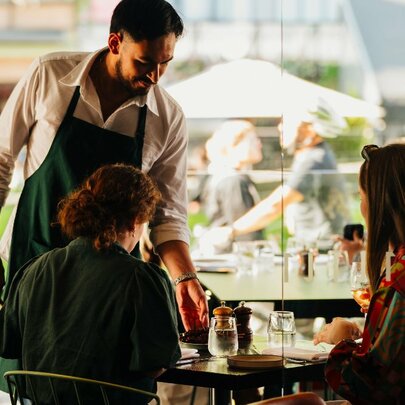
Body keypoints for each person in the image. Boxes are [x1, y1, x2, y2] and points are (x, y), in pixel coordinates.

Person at [0, 0, 208, 332]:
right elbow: (1, 159)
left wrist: (185, 278)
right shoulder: (50, 75)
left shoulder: (166, 118)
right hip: (33, 261)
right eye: (144, 62)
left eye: (165, 63)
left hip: (111, 287)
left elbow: (168, 215)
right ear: (115, 43)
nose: (154, 75)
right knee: (32, 378)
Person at [0, 163, 181, 404]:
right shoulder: (142, 278)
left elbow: (8, 344)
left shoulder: (34, 270)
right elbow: (155, 364)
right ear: (135, 221)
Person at [314, 144, 405, 403]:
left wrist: (340, 341)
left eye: (362, 197)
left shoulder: (398, 282)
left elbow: (369, 387)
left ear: (381, 204)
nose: (362, 207)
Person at [201, 100, 351, 249]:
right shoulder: (310, 156)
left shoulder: (314, 160)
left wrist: (231, 231)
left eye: (287, 122)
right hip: (318, 246)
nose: (280, 127)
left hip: (325, 248)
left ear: (310, 130)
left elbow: (276, 204)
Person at [200, 120, 264, 250]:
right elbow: (245, 233)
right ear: (233, 147)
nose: (259, 144)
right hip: (230, 257)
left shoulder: (226, 175)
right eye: (252, 140)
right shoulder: (233, 181)